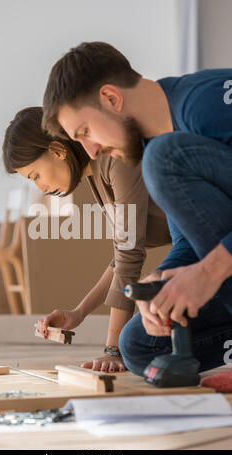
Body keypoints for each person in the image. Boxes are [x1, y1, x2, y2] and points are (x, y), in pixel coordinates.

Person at [41, 41, 232, 376]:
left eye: (85, 132)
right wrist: (160, 284)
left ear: (112, 99)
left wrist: (207, 272)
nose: (92, 150)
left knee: (163, 160)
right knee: (139, 346)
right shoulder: (156, 149)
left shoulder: (204, 102)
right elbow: (189, 242)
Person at [2, 106, 171, 373]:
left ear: (57, 150)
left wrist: (112, 350)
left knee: (135, 345)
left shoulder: (114, 159)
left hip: (216, 249)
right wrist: (78, 313)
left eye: (36, 176)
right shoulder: (94, 171)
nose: (41, 188)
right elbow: (121, 255)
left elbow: (129, 256)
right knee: (139, 338)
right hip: (200, 249)